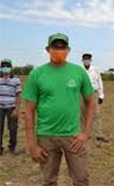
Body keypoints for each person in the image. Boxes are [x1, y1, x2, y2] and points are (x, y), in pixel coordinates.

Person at [23, 33, 95, 186]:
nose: (59, 50)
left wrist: (86, 133)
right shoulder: (37, 74)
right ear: (48, 49)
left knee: (81, 179)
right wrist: (32, 145)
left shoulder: (78, 72)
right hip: (46, 136)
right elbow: (29, 111)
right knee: (49, 181)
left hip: (73, 136)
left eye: (63, 48)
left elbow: (91, 102)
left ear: (68, 50)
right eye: (55, 47)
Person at [81, 53, 108, 143]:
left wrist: (101, 95)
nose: (86, 61)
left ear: (90, 60)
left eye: (88, 59)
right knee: (83, 114)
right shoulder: (79, 70)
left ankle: (98, 134)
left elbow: (99, 82)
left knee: (96, 114)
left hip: (94, 93)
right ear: (82, 60)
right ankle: (84, 134)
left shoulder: (95, 70)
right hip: (82, 93)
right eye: (85, 59)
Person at [0, 59, 21, 155]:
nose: (5, 68)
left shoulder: (16, 80)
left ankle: (12, 147)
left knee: (13, 128)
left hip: (12, 107)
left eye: (7, 66)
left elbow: (19, 95)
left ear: (11, 68)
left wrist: (16, 109)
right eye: (3, 66)